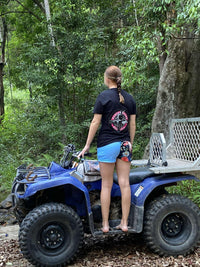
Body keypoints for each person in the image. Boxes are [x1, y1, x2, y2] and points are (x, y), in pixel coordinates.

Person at [78, 66, 136, 233]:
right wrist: (129, 142)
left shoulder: (103, 97)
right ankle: (124, 223)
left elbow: (95, 122)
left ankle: (104, 225)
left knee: (106, 185)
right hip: (125, 145)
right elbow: (131, 124)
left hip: (107, 144)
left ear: (107, 78)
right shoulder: (129, 98)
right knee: (125, 184)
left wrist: (87, 145)